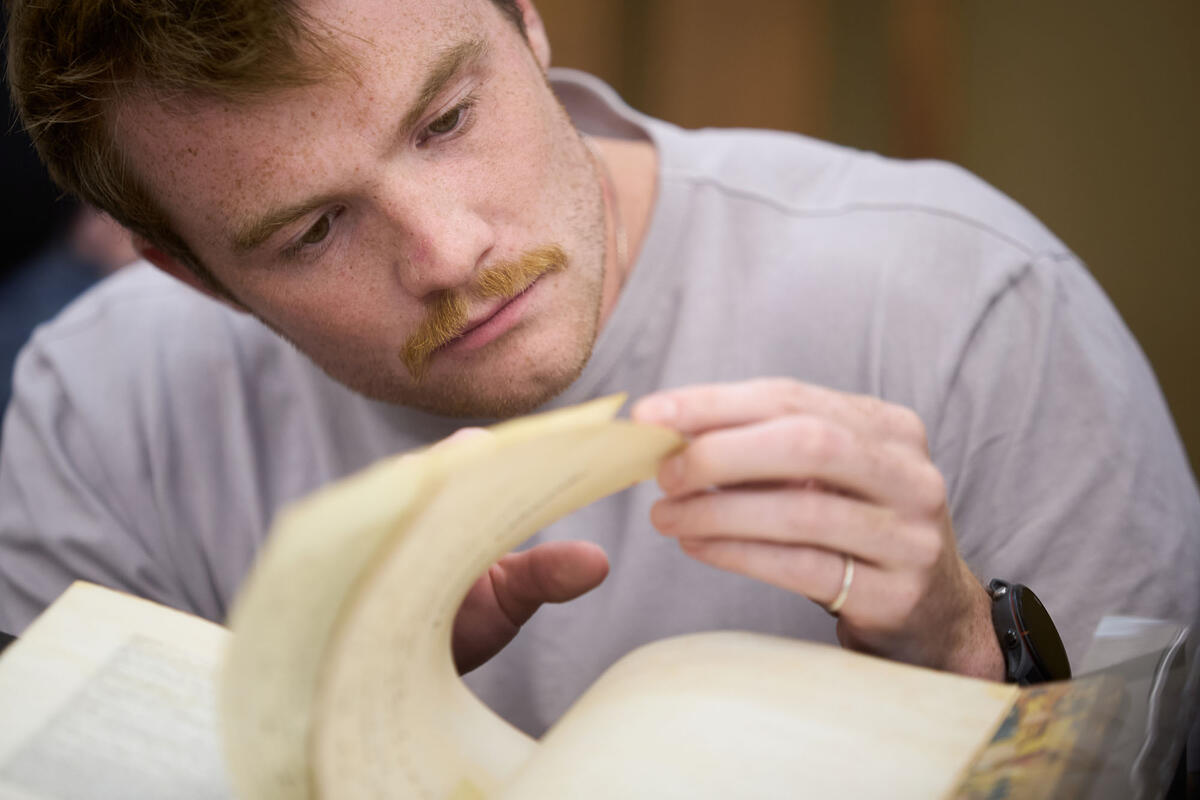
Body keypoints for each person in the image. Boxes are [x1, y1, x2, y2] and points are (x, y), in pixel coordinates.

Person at [2, 0, 1197, 737]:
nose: (451, 253)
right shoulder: (102, 414)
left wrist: (962, 659)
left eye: (447, 121)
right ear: (191, 273)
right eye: (314, 230)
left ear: (525, 20)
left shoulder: (966, 299)